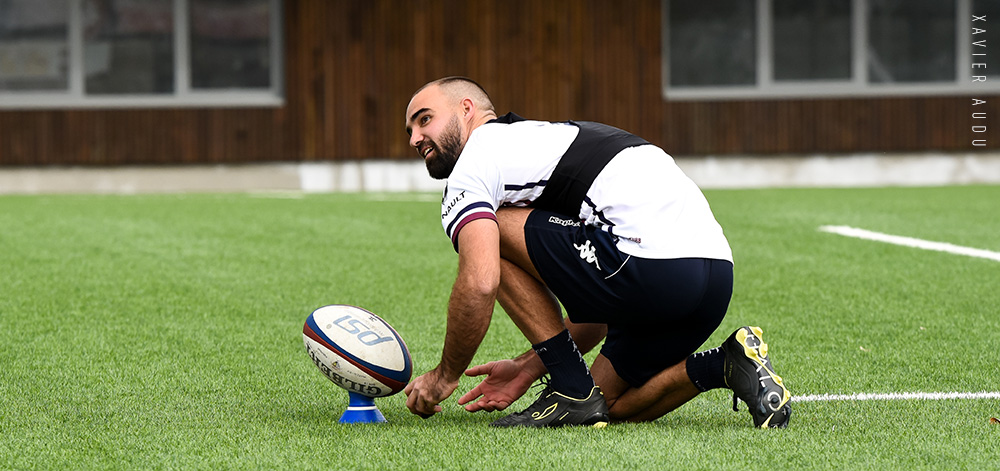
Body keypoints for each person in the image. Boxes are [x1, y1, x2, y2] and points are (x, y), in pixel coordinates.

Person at [401, 76, 791, 428]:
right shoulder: (543, 141)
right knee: (609, 405)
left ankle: (570, 388)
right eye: (410, 130)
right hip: (714, 278)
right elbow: (599, 305)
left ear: (466, 109)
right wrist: (526, 367)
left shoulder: (476, 160)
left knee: (490, 232)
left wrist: (444, 376)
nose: (415, 138)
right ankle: (725, 364)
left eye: (424, 119)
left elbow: (481, 282)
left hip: (645, 266)